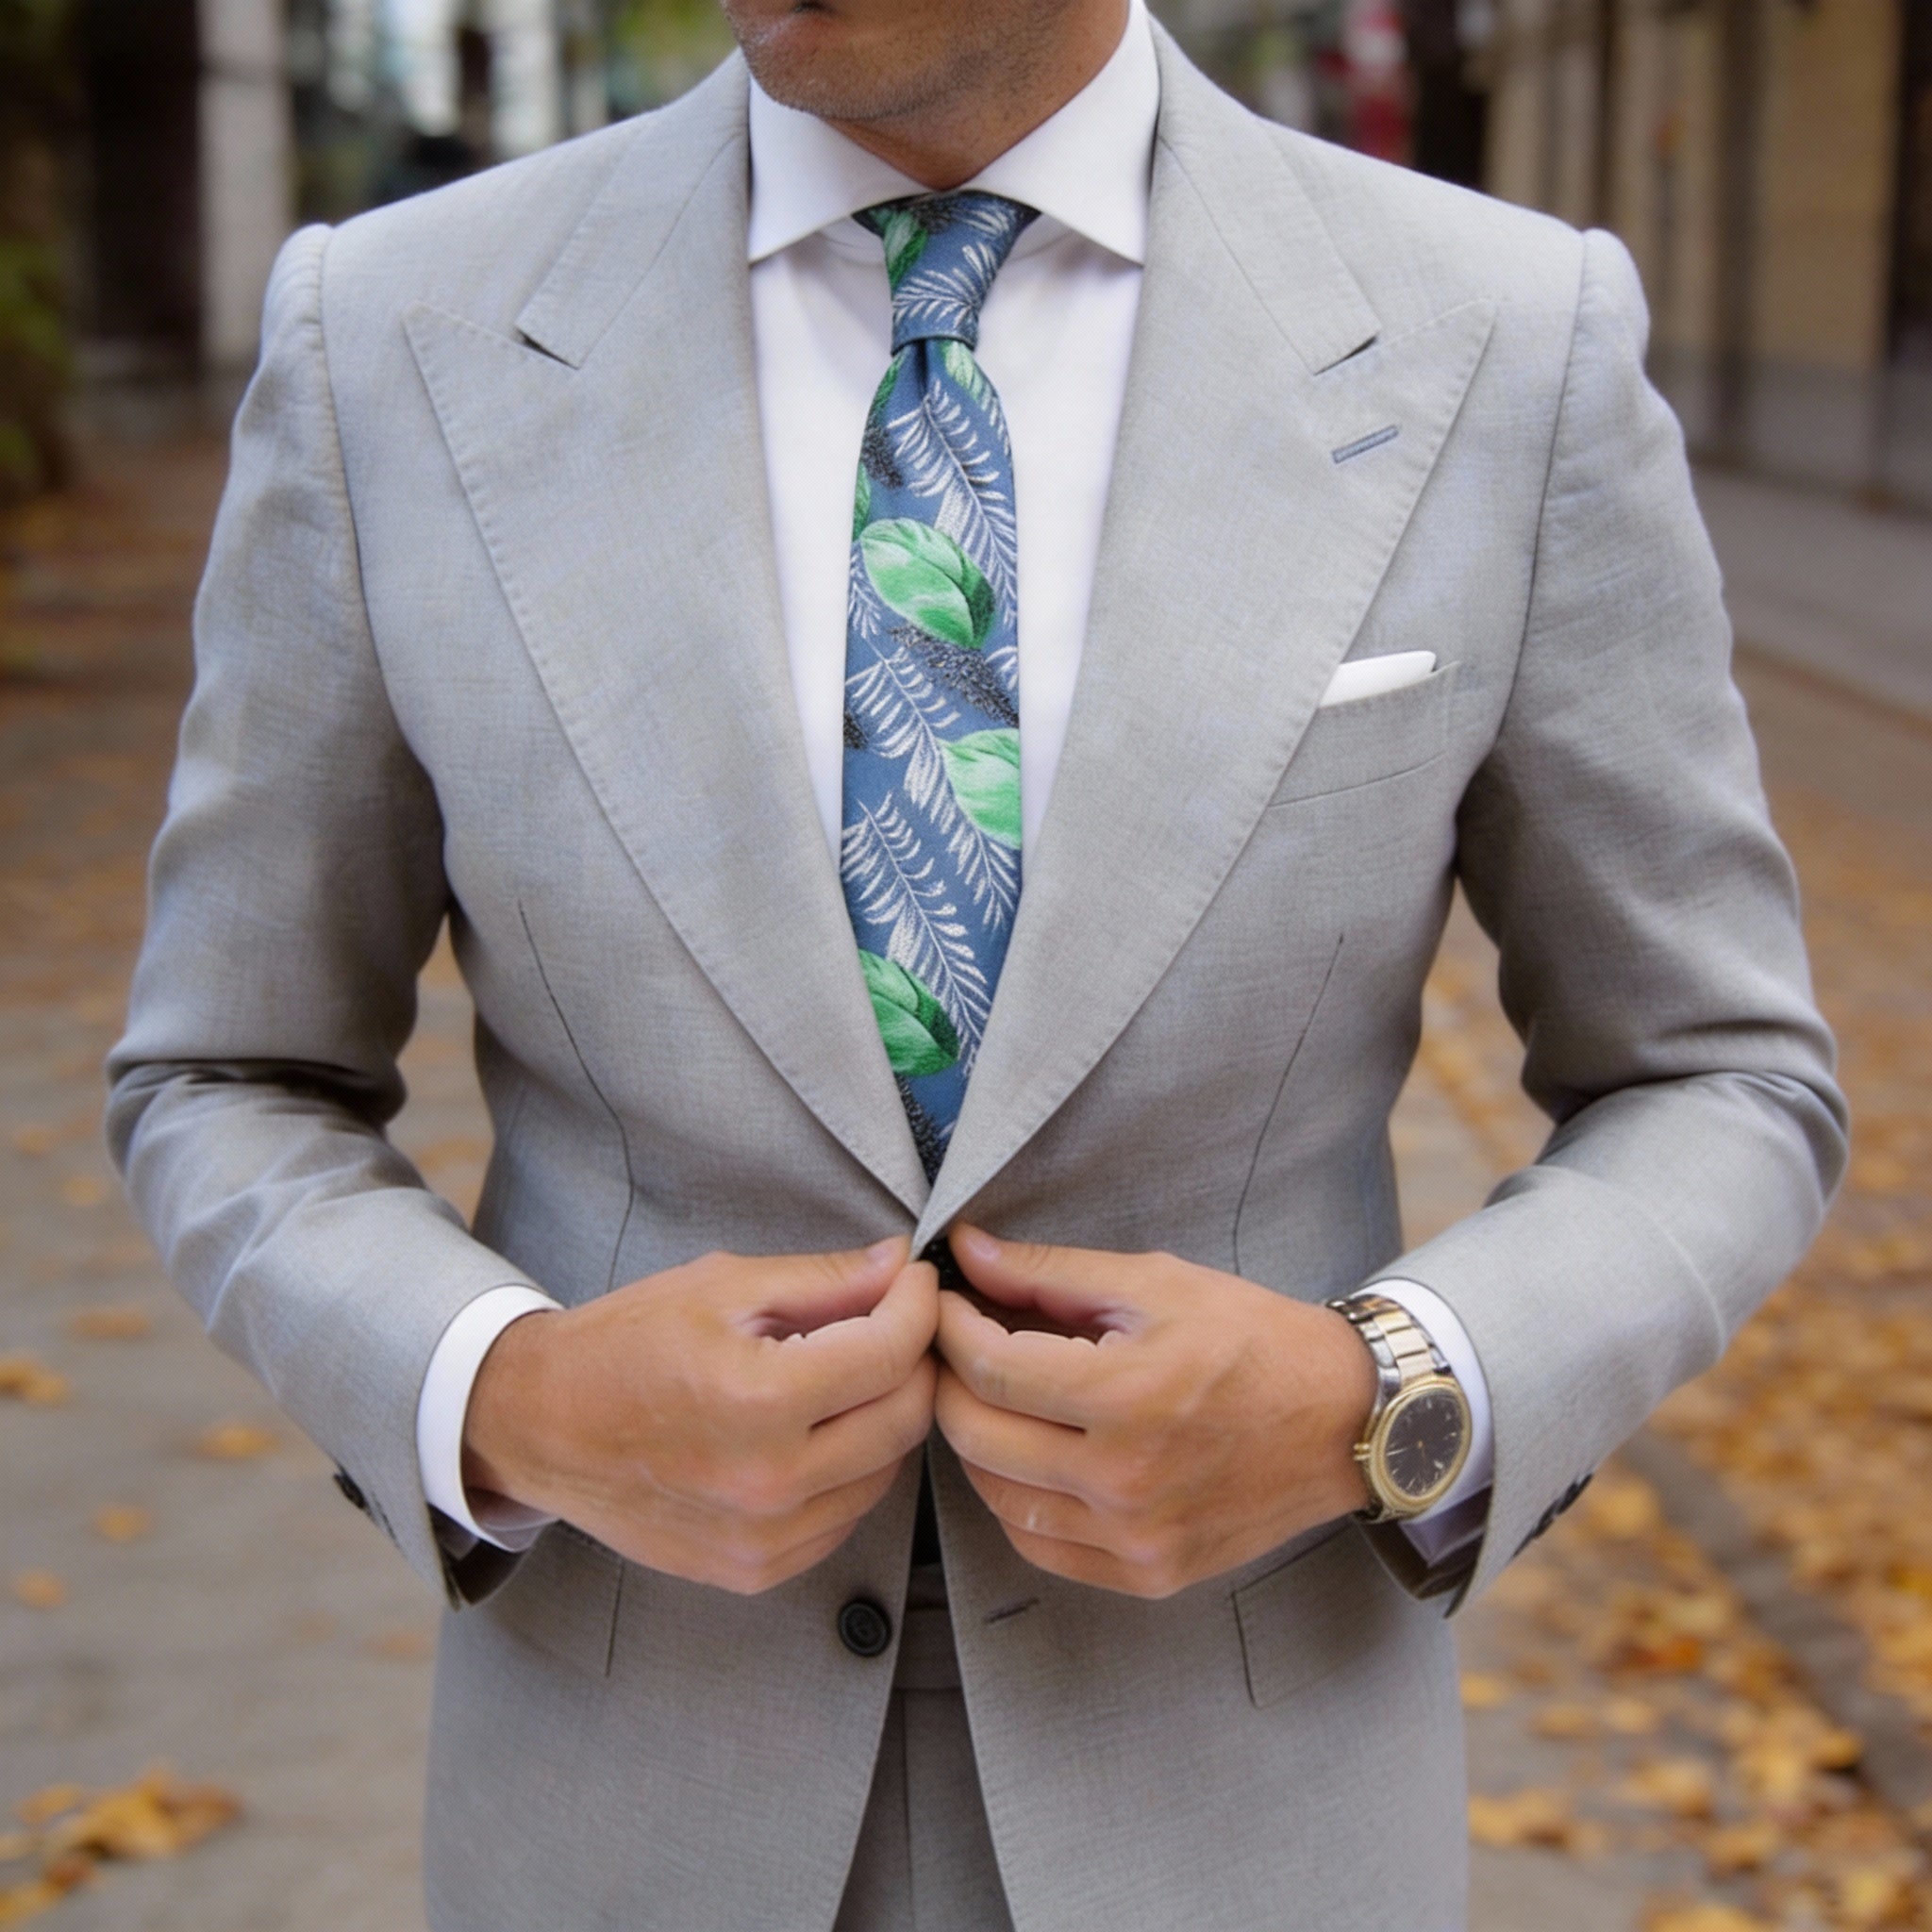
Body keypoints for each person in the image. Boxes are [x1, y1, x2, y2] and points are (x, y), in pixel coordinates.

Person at [107, 0, 1846, 1924]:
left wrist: (1389, 1398)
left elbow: (1716, 1075)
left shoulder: (1502, 341)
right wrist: (500, 1396)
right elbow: (227, 1068)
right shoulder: (393, 334)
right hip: (627, 1798)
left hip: (1244, 1799)